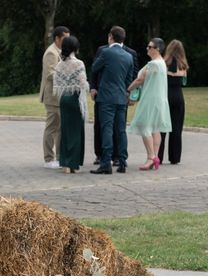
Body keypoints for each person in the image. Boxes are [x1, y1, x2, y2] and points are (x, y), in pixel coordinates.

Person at [90, 26, 134, 175]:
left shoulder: (105, 52)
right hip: (121, 98)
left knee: (107, 129)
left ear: (110, 37)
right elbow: (129, 79)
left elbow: (95, 67)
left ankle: (106, 163)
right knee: (121, 130)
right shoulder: (129, 56)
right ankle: (122, 162)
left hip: (106, 97)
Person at [127, 37, 172, 171]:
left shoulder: (154, 64)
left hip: (151, 99)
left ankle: (151, 156)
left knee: (145, 127)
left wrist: (128, 89)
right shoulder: (161, 63)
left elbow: (140, 79)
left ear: (157, 49)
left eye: (150, 47)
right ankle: (153, 157)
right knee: (155, 128)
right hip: (160, 99)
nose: (147, 49)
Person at [53, 36, 88, 174]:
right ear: (75, 47)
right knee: (76, 132)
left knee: (66, 131)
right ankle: (73, 164)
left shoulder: (59, 65)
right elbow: (82, 82)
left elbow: (57, 83)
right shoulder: (79, 64)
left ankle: (65, 163)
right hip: (75, 99)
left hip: (63, 99)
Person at [39, 25, 70, 169]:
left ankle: (59, 157)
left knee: (61, 128)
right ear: (57, 38)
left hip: (61, 95)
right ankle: (48, 159)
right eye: (65, 38)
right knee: (52, 127)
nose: (67, 41)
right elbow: (50, 74)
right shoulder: (51, 53)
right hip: (52, 96)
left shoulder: (63, 51)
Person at [158, 39, 188, 164]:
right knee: (177, 128)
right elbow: (184, 82)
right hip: (178, 97)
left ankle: (158, 156)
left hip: (166, 96)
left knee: (162, 128)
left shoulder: (164, 64)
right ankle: (175, 157)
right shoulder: (183, 65)